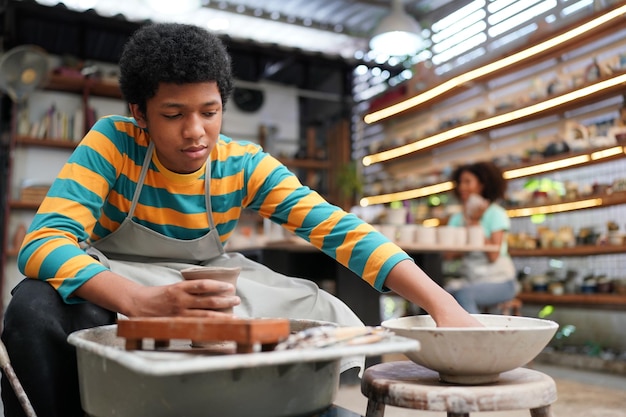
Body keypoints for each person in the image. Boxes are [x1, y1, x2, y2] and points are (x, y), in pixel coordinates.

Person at [1, 22, 480, 417]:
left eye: (210, 112)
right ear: (139, 114)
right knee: (34, 307)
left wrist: (443, 306)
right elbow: (42, 244)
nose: (195, 132)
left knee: (306, 314)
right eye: (173, 114)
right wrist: (140, 301)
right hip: (120, 277)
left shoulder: (243, 163)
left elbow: (340, 231)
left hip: (205, 282)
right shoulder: (113, 142)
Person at [443, 161, 518, 313]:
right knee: (439, 294)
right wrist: (468, 222)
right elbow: (448, 255)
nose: (462, 187)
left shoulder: (496, 214)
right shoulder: (457, 218)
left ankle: (475, 335)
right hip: (471, 279)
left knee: (464, 295)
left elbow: (493, 255)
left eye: (467, 182)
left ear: (482, 185)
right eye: (460, 182)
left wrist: (475, 223)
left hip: (501, 281)